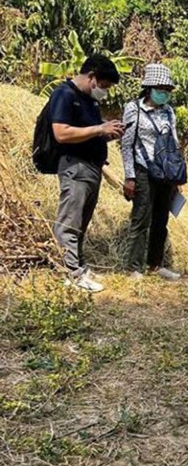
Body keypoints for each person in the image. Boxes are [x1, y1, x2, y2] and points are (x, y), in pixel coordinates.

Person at [51, 55, 125, 293]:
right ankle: (69, 273)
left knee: (81, 222)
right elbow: (61, 133)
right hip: (75, 167)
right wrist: (99, 129)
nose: (104, 91)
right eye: (103, 86)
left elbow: (90, 131)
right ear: (91, 77)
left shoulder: (89, 101)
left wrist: (107, 133)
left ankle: (78, 266)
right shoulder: (65, 95)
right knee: (69, 223)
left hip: (92, 168)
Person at [121, 63, 184, 281]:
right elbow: (127, 145)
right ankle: (133, 267)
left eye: (167, 89)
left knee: (161, 220)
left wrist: (176, 175)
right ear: (149, 88)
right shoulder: (133, 109)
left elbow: (174, 142)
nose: (164, 92)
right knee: (141, 219)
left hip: (165, 173)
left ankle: (155, 264)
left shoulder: (168, 112)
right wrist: (129, 176)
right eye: (161, 88)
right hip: (143, 170)